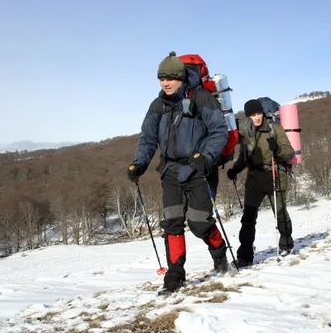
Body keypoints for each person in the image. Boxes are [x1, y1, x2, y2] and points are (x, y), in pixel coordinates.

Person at [127, 51, 229, 293]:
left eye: (170, 78)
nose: (166, 83)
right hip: (170, 170)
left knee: (199, 223)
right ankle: (175, 276)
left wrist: (205, 157)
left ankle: (219, 251)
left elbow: (219, 131)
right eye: (162, 78)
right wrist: (139, 163)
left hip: (199, 169)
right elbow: (148, 138)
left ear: (182, 78)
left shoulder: (202, 97)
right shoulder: (157, 104)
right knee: (172, 222)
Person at [226, 99, 296, 267]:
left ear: (263, 113)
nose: (256, 118)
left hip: (275, 174)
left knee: (280, 214)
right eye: (252, 115)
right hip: (255, 177)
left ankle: (286, 244)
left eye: (258, 114)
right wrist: (235, 169)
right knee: (248, 218)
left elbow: (289, 153)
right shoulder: (246, 133)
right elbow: (244, 157)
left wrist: (277, 149)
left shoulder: (275, 129)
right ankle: (245, 254)